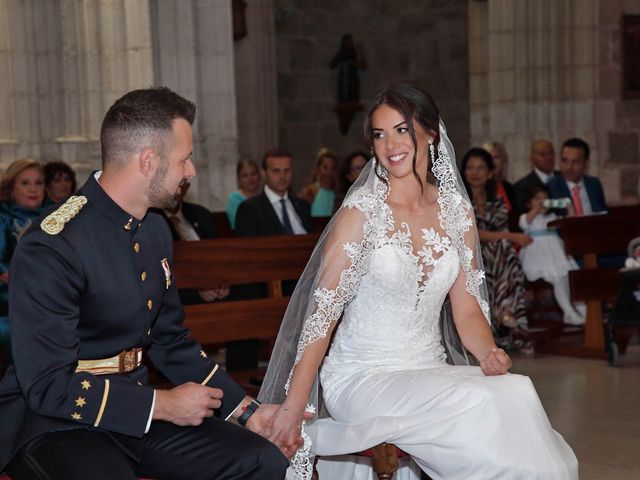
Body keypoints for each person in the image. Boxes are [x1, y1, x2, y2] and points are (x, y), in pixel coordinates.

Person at [259, 82, 578, 480]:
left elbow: (467, 311)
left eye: (402, 129)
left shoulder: (456, 211)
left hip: (427, 367)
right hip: (363, 375)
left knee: (517, 391)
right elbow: (320, 320)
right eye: (379, 133)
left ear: (430, 132)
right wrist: (292, 407)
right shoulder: (361, 214)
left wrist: (489, 352)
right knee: (476, 404)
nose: (390, 143)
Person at [0, 87, 299, 479]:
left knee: (261, 460)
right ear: (148, 161)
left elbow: (170, 340)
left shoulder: (155, 229)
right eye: (185, 159)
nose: (191, 171)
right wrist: (162, 405)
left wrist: (247, 412)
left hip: (140, 409)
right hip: (57, 422)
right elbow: (47, 386)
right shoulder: (52, 245)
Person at [461, 148, 532, 348]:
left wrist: (505, 237)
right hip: (469, 252)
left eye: (481, 168)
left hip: (495, 256)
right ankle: (506, 311)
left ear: (491, 172)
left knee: (502, 249)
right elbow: (473, 233)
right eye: (470, 168)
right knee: (503, 248)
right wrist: (509, 236)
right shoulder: (460, 200)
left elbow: (500, 228)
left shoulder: (497, 198)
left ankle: (503, 314)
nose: (475, 173)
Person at [0, 158, 46, 369]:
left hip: (53, 296)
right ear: (11, 188)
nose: (33, 189)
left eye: (39, 183)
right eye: (25, 183)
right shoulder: (3, 218)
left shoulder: (57, 215)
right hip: (10, 299)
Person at [518, 185, 586, 326]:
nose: (543, 201)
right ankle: (569, 312)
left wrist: (568, 205)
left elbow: (571, 222)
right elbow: (525, 223)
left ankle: (583, 309)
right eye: (537, 199)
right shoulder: (527, 218)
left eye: (546, 198)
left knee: (571, 279)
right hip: (540, 259)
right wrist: (537, 208)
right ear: (528, 203)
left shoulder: (552, 217)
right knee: (559, 280)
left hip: (558, 256)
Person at [161, 179, 229, 305]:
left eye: (180, 186)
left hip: (213, 281)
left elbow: (218, 255)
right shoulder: (152, 219)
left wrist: (223, 281)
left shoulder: (202, 214)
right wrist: (196, 287)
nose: (174, 192)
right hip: (180, 287)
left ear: (186, 188)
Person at [235, 148, 312, 237]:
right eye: (276, 171)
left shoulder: (302, 205)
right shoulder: (249, 208)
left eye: (286, 170)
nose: (282, 176)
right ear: (264, 173)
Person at [547, 137, 607, 215]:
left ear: (586, 163)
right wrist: (566, 204)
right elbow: (544, 205)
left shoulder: (594, 184)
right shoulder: (551, 186)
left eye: (575, 162)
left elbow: (602, 212)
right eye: (565, 161)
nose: (569, 167)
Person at [513, 139, 556, 214]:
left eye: (551, 153)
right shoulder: (521, 187)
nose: (548, 157)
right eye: (542, 154)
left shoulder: (565, 178)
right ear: (532, 158)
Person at [297, 148, 339, 217]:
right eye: (325, 168)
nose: (329, 172)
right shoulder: (309, 192)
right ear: (318, 169)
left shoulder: (337, 194)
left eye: (333, 168)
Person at [226, 159, 261, 229]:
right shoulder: (234, 199)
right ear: (239, 179)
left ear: (259, 176)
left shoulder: (265, 196)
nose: (250, 179)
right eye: (245, 176)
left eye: (253, 174)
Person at [483, 141, 517, 213]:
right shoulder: (479, 187)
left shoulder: (509, 188)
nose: (493, 162)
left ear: (503, 160)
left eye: (496, 157)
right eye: (489, 157)